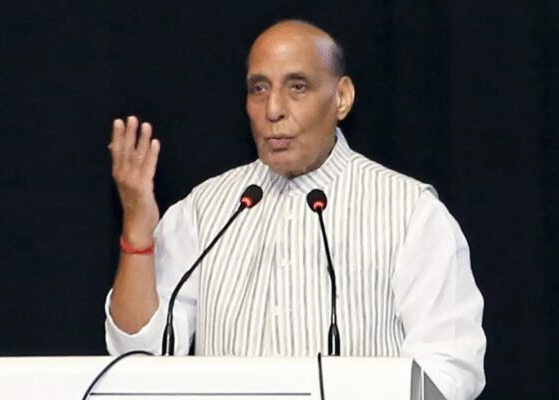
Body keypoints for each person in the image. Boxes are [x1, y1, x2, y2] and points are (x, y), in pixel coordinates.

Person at [105, 20, 486, 400]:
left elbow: (448, 370)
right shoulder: (206, 210)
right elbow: (136, 359)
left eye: (297, 87)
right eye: (259, 89)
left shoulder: (409, 212)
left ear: (342, 98)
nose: (273, 109)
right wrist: (137, 228)